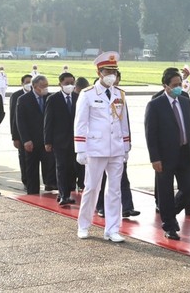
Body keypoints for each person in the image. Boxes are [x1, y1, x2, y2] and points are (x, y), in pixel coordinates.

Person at [75, 51, 130, 243]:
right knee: (91, 188)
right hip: (95, 147)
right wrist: (80, 149)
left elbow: (124, 122)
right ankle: (84, 225)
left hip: (115, 148)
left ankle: (112, 229)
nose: (112, 76)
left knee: (114, 190)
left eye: (114, 72)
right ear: (99, 72)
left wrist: (126, 147)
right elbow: (80, 123)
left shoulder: (119, 94)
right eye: (108, 71)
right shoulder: (88, 94)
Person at [145, 68, 190, 240]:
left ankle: (169, 213)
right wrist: (154, 158)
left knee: (188, 188)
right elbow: (151, 133)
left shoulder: (185, 100)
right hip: (165, 155)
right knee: (165, 191)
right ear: (166, 86)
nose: (179, 88)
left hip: (185, 152)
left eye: (180, 84)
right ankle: (169, 225)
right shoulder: (155, 105)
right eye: (175, 85)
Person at [96, 70, 140, 218]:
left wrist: (127, 143)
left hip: (118, 145)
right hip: (101, 146)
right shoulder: (93, 95)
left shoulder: (120, 95)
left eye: (117, 79)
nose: (115, 82)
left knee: (122, 177)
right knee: (101, 179)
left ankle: (127, 207)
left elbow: (124, 122)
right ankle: (101, 206)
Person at [16, 75, 57, 194]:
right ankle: (32, 192)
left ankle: (49, 186)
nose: (45, 88)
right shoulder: (23, 99)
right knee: (32, 168)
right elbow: (20, 122)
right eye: (43, 86)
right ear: (34, 86)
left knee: (49, 166)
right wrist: (26, 140)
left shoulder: (50, 98)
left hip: (46, 141)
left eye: (47, 85)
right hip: (31, 141)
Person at [44, 72, 78, 206]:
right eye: (67, 83)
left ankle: (66, 192)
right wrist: (47, 141)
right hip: (59, 140)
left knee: (72, 168)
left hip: (75, 140)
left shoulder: (78, 97)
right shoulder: (53, 99)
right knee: (61, 167)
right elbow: (48, 122)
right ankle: (63, 195)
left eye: (72, 83)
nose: (70, 86)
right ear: (60, 84)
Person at [10, 74, 33, 190]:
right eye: (27, 82)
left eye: (31, 81)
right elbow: (13, 118)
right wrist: (15, 137)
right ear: (22, 83)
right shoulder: (16, 96)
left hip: (34, 133)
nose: (29, 84)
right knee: (23, 159)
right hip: (21, 133)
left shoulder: (36, 94)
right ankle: (26, 180)